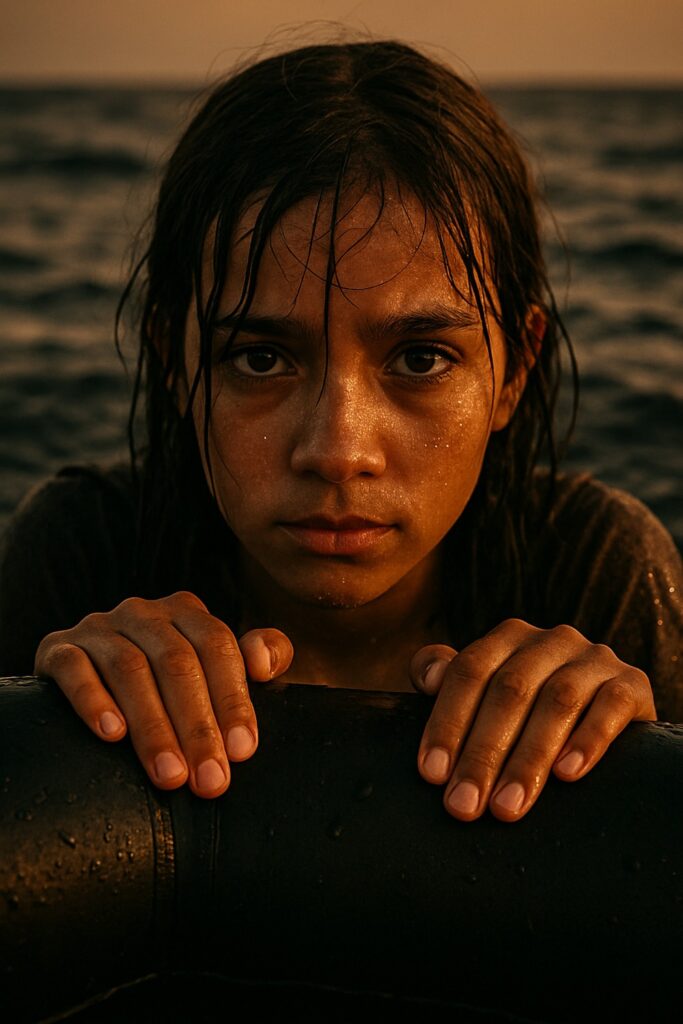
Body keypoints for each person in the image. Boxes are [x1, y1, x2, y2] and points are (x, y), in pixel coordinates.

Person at [0, 40, 680, 825]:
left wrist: (641, 756)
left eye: (421, 358)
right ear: (174, 361)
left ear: (514, 371)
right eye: (260, 358)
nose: (336, 451)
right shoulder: (89, 556)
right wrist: (44, 720)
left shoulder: (594, 575)